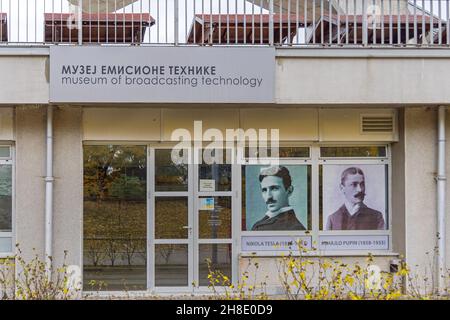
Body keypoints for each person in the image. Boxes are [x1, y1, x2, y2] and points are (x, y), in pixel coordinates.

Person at [251, 166, 306, 231]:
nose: (269, 196)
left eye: (274, 188)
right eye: (264, 190)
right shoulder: (266, 220)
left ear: (289, 191)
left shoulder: (295, 228)